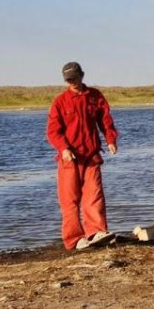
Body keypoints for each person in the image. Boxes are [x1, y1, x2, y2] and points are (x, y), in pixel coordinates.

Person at [45, 61, 119, 251]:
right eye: (69, 80)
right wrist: (63, 148)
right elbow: (53, 131)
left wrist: (110, 140)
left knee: (94, 196)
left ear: (82, 76)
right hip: (70, 159)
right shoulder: (60, 102)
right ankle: (74, 239)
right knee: (69, 200)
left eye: (75, 79)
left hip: (91, 156)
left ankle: (96, 232)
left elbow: (105, 120)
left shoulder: (95, 96)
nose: (72, 83)